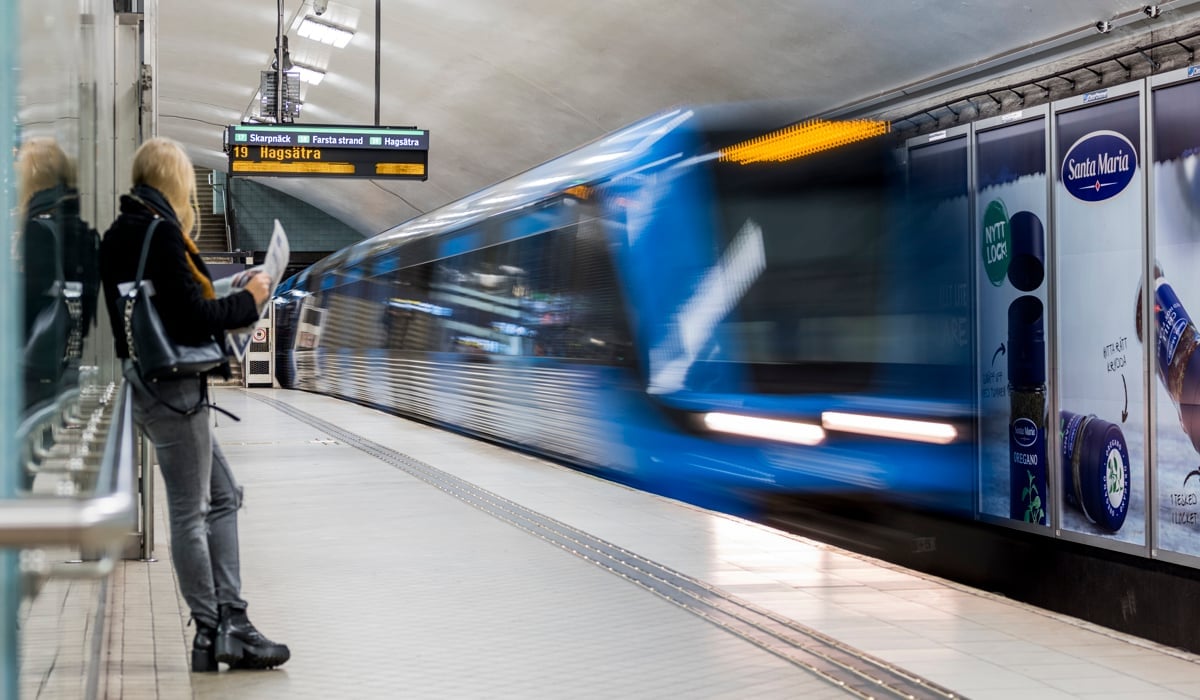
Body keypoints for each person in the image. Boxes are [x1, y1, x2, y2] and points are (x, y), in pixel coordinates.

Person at [99, 137, 289, 672]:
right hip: (177, 391)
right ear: (176, 181)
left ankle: (231, 619)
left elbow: (168, 304)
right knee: (192, 511)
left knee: (223, 494)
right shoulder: (160, 233)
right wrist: (249, 300)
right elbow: (192, 319)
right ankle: (214, 629)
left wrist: (229, 285)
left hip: (152, 384)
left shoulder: (121, 233)